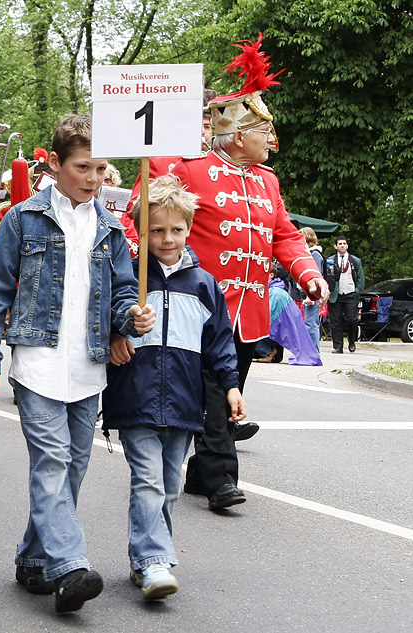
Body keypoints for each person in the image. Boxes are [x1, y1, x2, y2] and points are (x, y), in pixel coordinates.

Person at [0, 114, 156, 613]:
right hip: (37, 361)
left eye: (101, 169)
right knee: (51, 462)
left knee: (73, 467)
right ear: (54, 164)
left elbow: (121, 291)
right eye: (83, 167)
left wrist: (129, 319)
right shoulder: (23, 219)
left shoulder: (111, 226)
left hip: (89, 365)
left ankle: (33, 559)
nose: (94, 179)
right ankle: (70, 566)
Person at [165, 36, 328, 508]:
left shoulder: (268, 181)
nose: (271, 140)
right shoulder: (190, 169)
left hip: (250, 308)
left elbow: (285, 236)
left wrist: (306, 274)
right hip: (202, 303)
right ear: (238, 135)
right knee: (218, 389)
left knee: (230, 385)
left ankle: (198, 472)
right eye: (264, 131)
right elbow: (150, 212)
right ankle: (219, 479)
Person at [104, 175, 245, 601]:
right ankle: (153, 562)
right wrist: (115, 334)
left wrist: (231, 385)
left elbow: (219, 341)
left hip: (184, 401)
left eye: (176, 229)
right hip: (135, 395)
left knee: (169, 485)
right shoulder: (127, 276)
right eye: (156, 230)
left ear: (188, 228)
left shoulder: (203, 284)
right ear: (140, 230)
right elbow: (106, 316)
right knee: (146, 479)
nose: (167, 239)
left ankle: (145, 557)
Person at [326, 236, 364, 353]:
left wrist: (357, 291)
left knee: (352, 319)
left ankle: (352, 341)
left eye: (344, 243)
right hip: (336, 294)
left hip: (350, 293)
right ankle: (338, 346)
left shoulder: (355, 260)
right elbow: (327, 276)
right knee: (335, 321)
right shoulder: (330, 260)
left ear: (347, 246)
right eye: (339, 243)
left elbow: (361, 277)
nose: (342, 245)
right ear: (335, 246)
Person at [299, 227, 325, 350]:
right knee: (309, 323)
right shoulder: (311, 254)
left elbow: (315, 275)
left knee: (311, 323)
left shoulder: (314, 254)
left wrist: (311, 295)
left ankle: (313, 351)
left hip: (312, 295)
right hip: (308, 294)